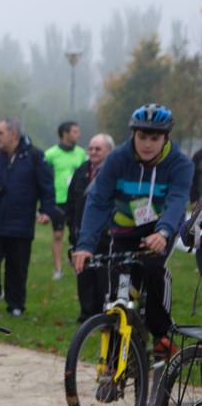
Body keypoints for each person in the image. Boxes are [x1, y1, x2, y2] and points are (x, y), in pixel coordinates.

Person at [72, 104, 195, 357]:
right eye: (142, 137)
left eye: (154, 138)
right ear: (133, 135)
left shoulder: (180, 163)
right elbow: (97, 202)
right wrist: (84, 245)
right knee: (118, 291)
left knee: (152, 269)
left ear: (166, 138)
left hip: (159, 230)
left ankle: (161, 334)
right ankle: (114, 362)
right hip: (123, 231)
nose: (147, 144)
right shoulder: (118, 159)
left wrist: (163, 233)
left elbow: (177, 199)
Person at [0, 116, 58, 316]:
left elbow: (47, 186)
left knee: (17, 267)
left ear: (13, 135)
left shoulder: (35, 156)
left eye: (0, 133)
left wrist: (46, 210)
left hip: (21, 224)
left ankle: (16, 304)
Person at [66, 132, 115, 322]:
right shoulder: (81, 171)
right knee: (84, 274)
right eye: (91, 148)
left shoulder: (113, 173)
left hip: (105, 235)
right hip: (81, 233)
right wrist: (72, 228)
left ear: (109, 151)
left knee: (104, 276)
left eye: (98, 149)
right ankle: (86, 314)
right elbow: (71, 201)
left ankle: (102, 314)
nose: (93, 152)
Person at [45, 121, 87, 281]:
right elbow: (45, 178)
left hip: (77, 200)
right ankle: (58, 269)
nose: (78, 134)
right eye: (75, 131)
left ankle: (78, 265)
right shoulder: (50, 154)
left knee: (77, 234)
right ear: (65, 133)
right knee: (57, 235)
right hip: (58, 200)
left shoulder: (81, 153)